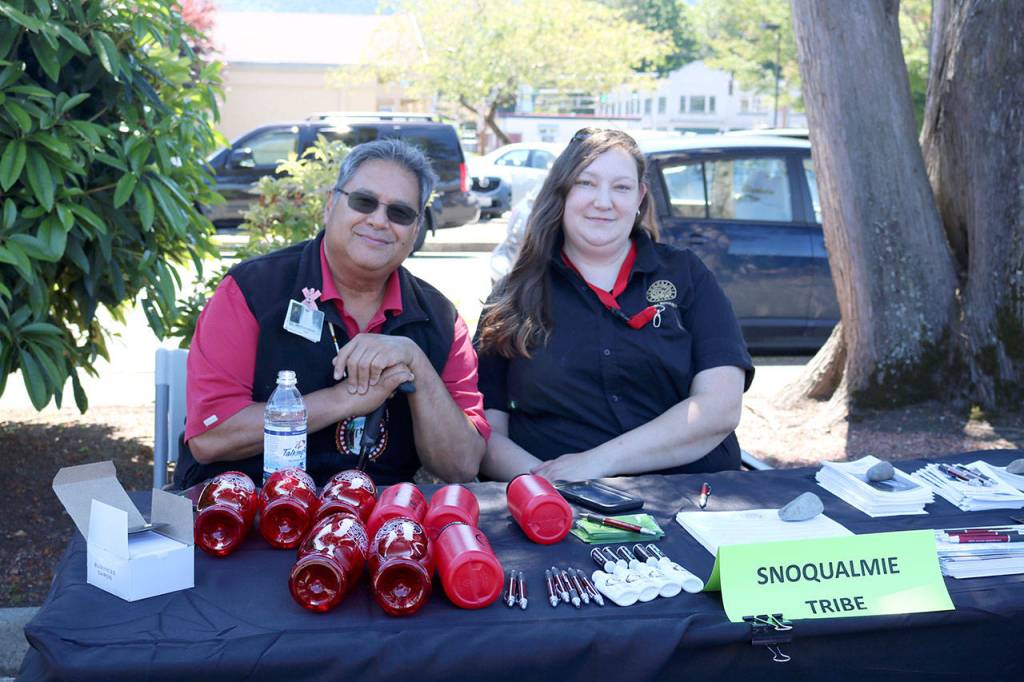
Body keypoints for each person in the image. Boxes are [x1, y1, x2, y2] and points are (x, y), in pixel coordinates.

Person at [176, 138, 488, 489]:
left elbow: (462, 465)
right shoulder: (252, 290)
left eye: (400, 213)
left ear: (415, 230)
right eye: (364, 202)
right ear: (330, 205)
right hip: (242, 507)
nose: (379, 220)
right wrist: (343, 400)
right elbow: (210, 437)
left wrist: (416, 363)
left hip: (377, 514)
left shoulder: (440, 319)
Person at [474, 128, 753, 482]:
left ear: (640, 197)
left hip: (693, 495)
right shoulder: (513, 294)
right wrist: (546, 487)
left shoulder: (687, 275)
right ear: (561, 191)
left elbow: (720, 407)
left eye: (621, 187)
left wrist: (594, 464)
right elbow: (487, 433)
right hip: (558, 504)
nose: (603, 201)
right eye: (586, 183)